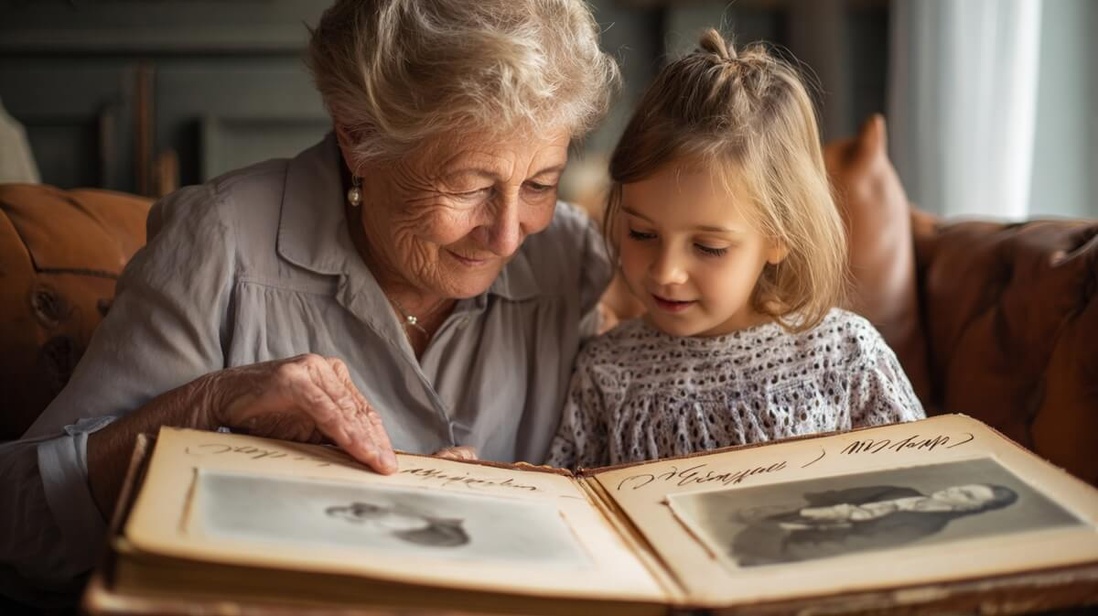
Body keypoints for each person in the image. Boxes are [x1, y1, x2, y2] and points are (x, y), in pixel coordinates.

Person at [0, 0, 618, 607]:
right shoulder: (220, 246)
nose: (509, 234)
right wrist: (208, 402)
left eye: (540, 184)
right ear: (357, 138)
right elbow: (18, 527)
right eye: (470, 186)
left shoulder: (569, 257)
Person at [547, 29, 924, 470]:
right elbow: (565, 502)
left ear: (780, 236)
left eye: (708, 247)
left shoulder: (846, 356)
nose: (666, 271)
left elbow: (922, 491)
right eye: (642, 235)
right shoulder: (607, 370)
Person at [729, 483, 1019, 566]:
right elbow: (832, 494)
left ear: (973, 507)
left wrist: (784, 549)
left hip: (796, 543)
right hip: (790, 515)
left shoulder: (924, 525)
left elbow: (853, 547)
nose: (953, 491)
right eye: (962, 486)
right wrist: (796, 510)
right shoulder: (902, 492)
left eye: (965, 495)